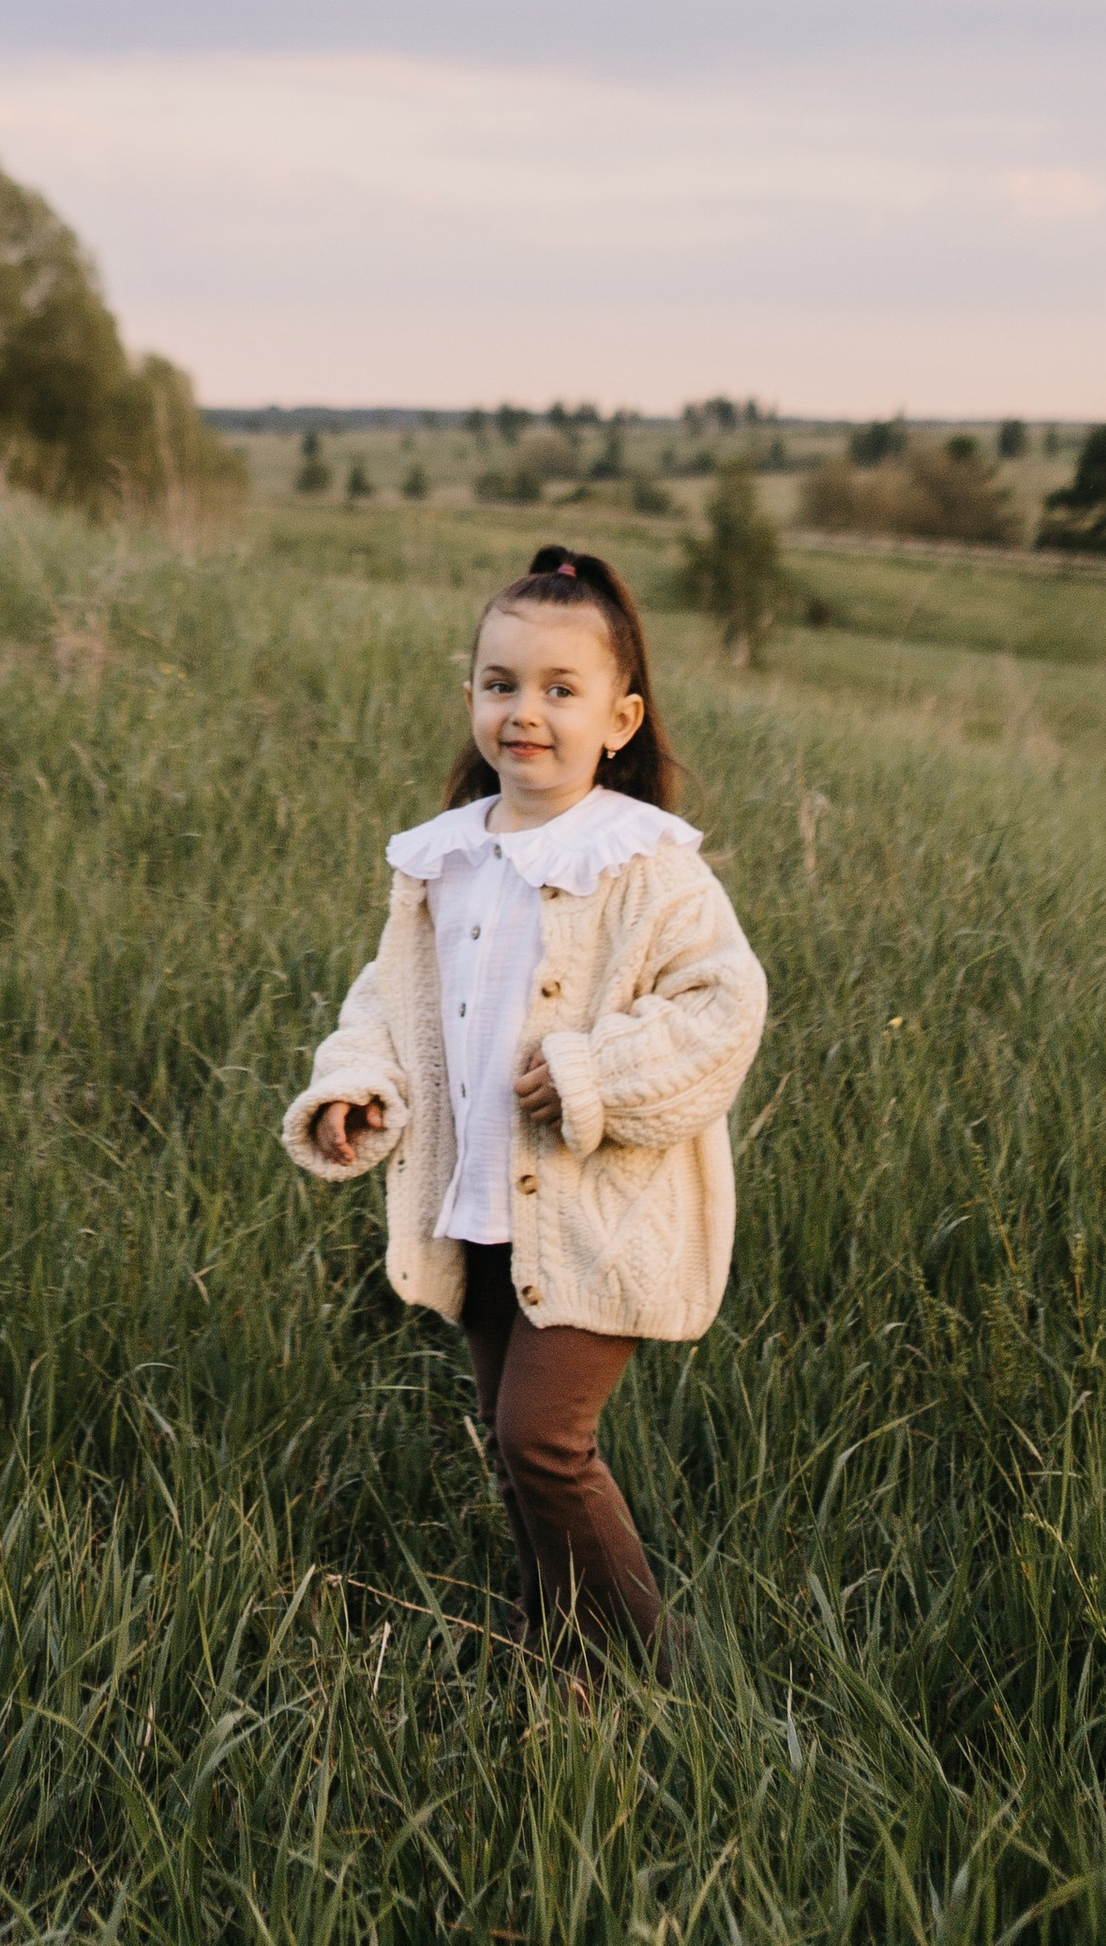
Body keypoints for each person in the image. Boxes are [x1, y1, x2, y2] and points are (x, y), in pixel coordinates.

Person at [282, 542, 767, 1678]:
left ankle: (659, 1663)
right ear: (470, 699)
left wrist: (599, 1073)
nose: (525, 713)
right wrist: (356, 1086)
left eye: (560, 690)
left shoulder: (644, 864)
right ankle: (555, 1651)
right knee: (513, 1456)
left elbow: (722, 1007)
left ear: (619, 716)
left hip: (599, 1215)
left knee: (542, 1439)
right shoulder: (443, 860)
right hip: (480, 1205)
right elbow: (384, 1006)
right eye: (501, 685)